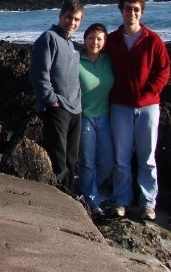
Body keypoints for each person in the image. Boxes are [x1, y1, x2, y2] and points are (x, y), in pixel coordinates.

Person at [105, 0, 170, 221]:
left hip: (148, 107)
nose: (131, 12)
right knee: (121, 158)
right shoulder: (111, 40)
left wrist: (151, 91)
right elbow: (95, 59)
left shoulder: (153, 40)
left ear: (141, 12)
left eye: (135, 9)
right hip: (120, 106)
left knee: (147, 158)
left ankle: (147, 203)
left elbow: (163, 69)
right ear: (121, 10)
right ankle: (121, 200)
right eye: (127, 8)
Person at [29, 0, 84, 193]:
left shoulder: (74, 45)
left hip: (75, 109)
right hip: (57, 109)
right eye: (69, 17)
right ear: (60, 15)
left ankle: (70, 197)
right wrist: (51, 100)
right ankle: (60, 203)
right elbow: (38, 74)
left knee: (71, 160)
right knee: (58, 161)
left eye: (77, 19)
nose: (72, 22)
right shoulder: (48, 38)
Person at [78, 23, 115, 219]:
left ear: (105, 42)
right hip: (84, 119)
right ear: (85, 39)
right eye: (91, 37)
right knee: (88, 163)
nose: (95, 42)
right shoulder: (76, 59)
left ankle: (81, 186)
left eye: (99, 38)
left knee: (108, 163)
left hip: (105, 117)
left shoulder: (108, 59)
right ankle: (93, 202)